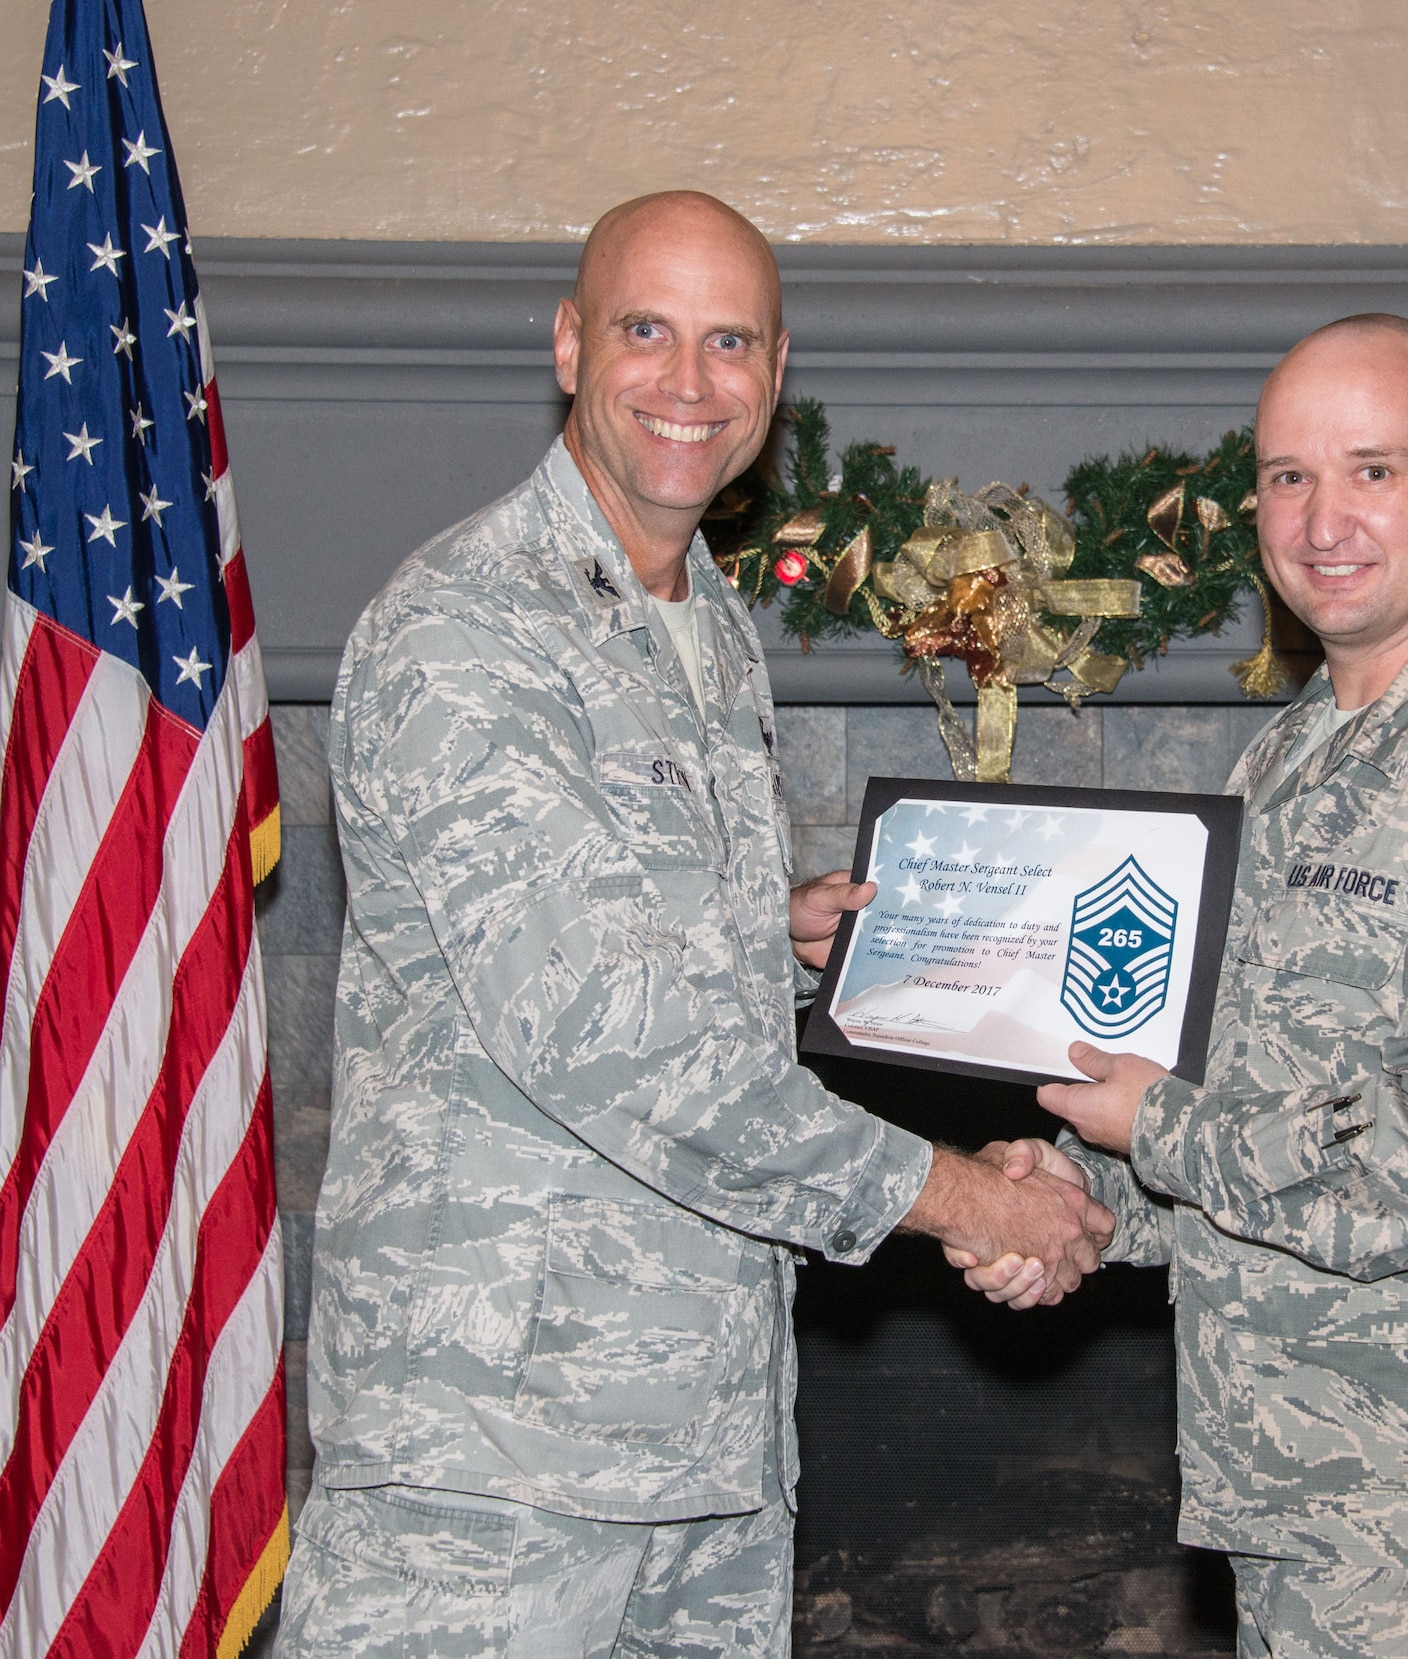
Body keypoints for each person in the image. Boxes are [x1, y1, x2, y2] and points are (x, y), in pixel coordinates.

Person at [277, 191, 1113, 1657]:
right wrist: (979, 1202)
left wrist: (758, 926)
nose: (688, 381)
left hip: (703, 1439)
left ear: (776, 376)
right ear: (567, 345)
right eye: (644, 330)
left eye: (729, 341)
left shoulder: (701, 621)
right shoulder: (470, 627)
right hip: (501, 1465)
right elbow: (614, 1042)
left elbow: (615, 932)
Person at [960, 315, 1408, 1659]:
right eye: (1288, 477)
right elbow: (1248, 1103)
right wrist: (1073, 1196)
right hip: (1300, 1517)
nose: (1322, 519)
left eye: (1374, 470)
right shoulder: (1286, 767)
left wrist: (1151, 1134)